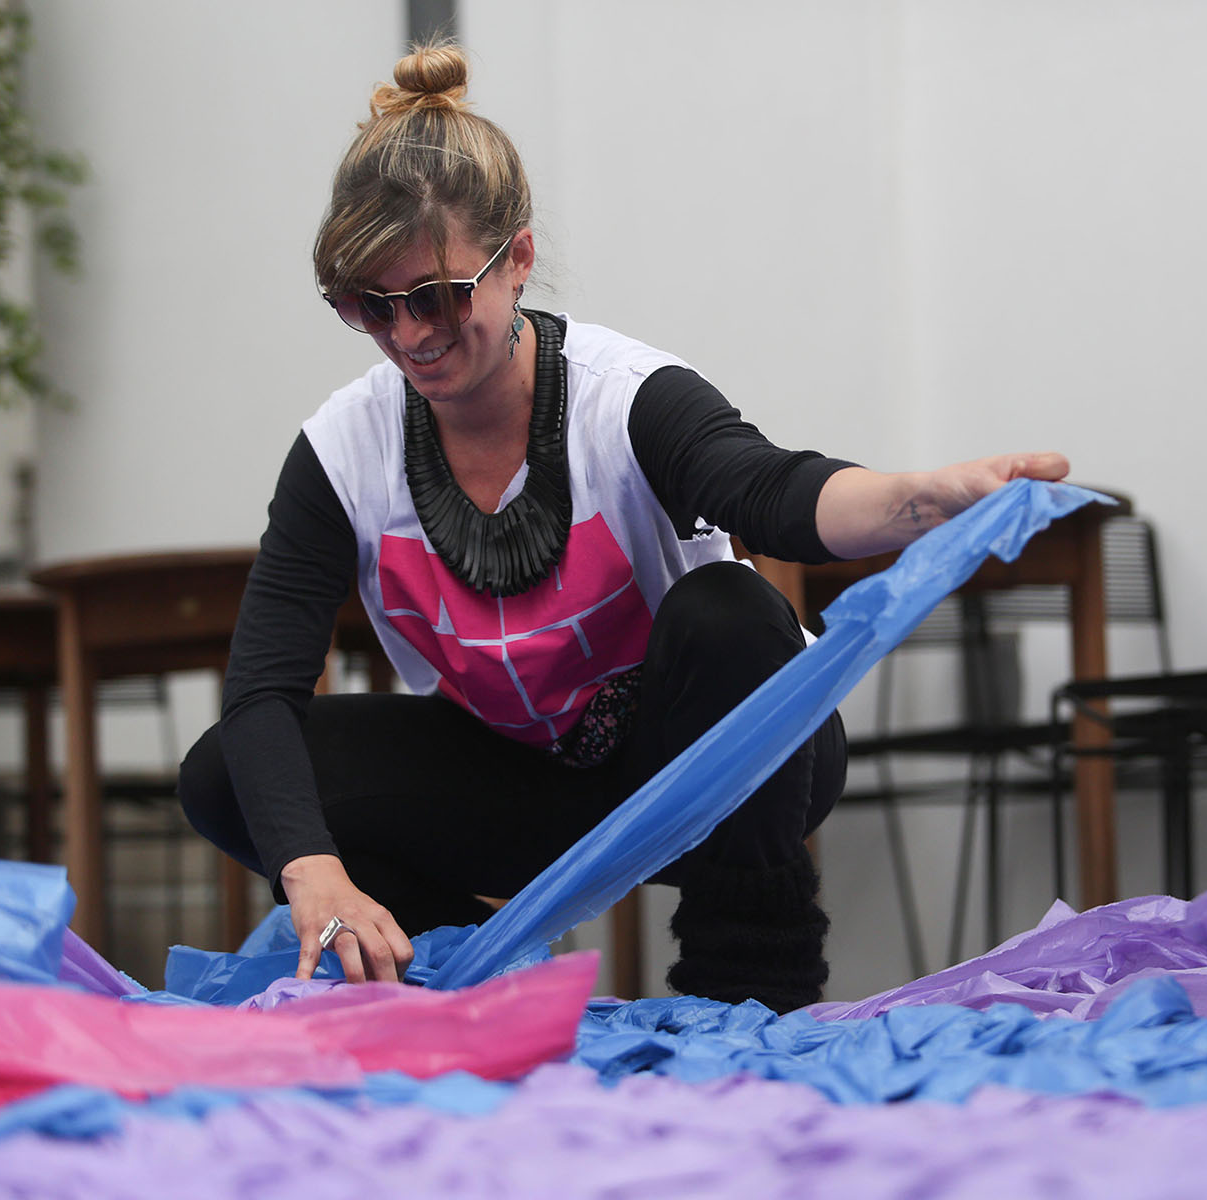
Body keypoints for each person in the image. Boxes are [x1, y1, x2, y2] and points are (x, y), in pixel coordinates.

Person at [177, 40, 1068, 1013]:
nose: (410, 336)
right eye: (369, 308)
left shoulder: (624, 395)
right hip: (517, 784)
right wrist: (312, 870)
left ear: (518, 260)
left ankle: (748, 989)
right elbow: (261, 687)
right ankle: (459, 979)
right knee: (229, 772)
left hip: (705, 766)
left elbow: (771, 491)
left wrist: (924, 498)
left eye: (436, 297)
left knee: (730, 611)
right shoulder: (343, 448)